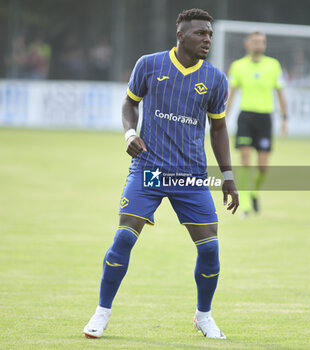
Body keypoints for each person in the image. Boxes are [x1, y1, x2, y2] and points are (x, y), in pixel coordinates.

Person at [83, 8, 239, 340]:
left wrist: (227, 175)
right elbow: (129, 104)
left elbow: (219, 128)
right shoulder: (149, 64)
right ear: (181, 35)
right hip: (149, 170)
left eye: (210, 34)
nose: (207, 39)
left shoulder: (215, 78)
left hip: (191, 176)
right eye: (200, 33)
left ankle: (204, 315)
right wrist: (129, 133)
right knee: (124, 238)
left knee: (210, 249)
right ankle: (101, 312)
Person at [226, 31, 287, 216]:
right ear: (248, 44)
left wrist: (285, 118)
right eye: (256, 41)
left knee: (262, 167)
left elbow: (280, 93)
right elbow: (232, 92)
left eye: (262, 42)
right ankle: (244, 204)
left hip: (264, 119)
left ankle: (253, 192)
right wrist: (223, 117)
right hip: (246, 118)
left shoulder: (273, 65)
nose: (259, 44)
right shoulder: (238, 66)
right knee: (245, 161)